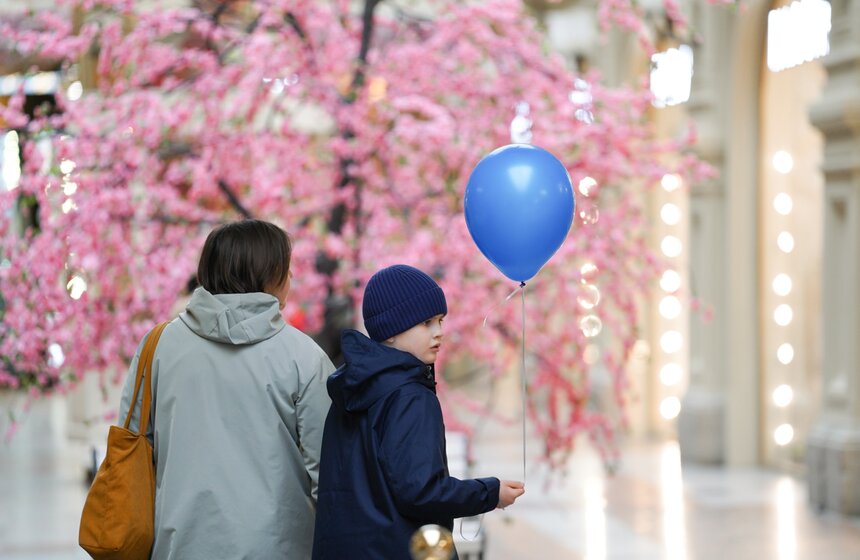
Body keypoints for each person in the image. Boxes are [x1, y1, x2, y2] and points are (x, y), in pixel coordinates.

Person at [118, 219, 334, 559]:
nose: (292, 279)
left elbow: (132, 441)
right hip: (278, 547)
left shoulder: (158, 346)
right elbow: (327, 471)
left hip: (179, 544)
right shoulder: (304, 357)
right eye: (287, 269)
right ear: (270, 275)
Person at [312, 264, 525, 559]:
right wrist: (490, 492)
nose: (439, 333)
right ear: (390, 330)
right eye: (426, 323)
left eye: (441, 321)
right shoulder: (410, 397)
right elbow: (422, 491)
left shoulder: (352, 389)